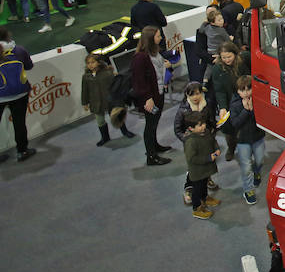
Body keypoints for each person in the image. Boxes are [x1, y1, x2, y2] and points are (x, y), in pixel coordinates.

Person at [131, 26, 172, 166]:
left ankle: (155, 146)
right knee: (150, 125)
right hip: (150, 98)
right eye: (158, 36)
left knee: (154, 123)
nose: (160, 38)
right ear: (150, 38)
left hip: (159, 94)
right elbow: (139, 81)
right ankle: (151, 156)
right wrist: (147, 98)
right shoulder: (140, 58)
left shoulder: (155, 52)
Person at [174, 81, 219, 206]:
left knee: (206, 164)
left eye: (198, 93)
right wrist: (187, 140)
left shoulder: (207, 105)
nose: (195, 97)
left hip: (206, 141)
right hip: (193, 145)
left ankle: (206, 187)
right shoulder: (183, 109)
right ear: (187, 96)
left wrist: (214, 129)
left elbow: (211, 122)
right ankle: (189, 189)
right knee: (194, 169)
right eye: (192, 94)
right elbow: (177, 129)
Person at [81, 53, 134, 146]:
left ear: (98, 62)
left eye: (93, 62)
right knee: (100, 121)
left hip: (110, 101)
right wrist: (85, 103)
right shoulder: (86, 77)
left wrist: (119, 99)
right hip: (96, 102)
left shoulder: (107, 73)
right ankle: (105, 137)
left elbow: (116, 85)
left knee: (117, 116)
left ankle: (125, 131)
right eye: (88, 63)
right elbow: (84, 90)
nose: (90, 65)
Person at [210, 41, 249, 162]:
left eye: (229, 56)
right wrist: (222, 107)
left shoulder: (243, 62)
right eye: (224, 57)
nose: (227, 60)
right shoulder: (217, 69)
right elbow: (219, 90)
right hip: (228, 101)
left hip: (244, 97)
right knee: (229, 129)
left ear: (235, 54)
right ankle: (231, 149)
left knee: (245, 126)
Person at [230, 75, 266, 205]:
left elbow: (264, 117)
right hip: (243, 140)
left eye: (248, 89)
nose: (246, 92)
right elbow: (235, 123)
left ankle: (257, 172)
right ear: (238, 91)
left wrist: (253, 109)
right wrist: (246, 111)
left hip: (258, 137)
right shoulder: (235, 105)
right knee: (246, 167)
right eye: (242, 90)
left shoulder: (258, 100)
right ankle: (248, 190)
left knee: (260, 160)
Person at [0, 29, 35, 162]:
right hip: (20, 92)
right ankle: (22, 151)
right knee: (19, 123)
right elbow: (29, 66)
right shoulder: (19, 50)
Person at [182, 111, 222, 220]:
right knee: (197, 190)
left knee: (204, 184)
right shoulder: (190, 141)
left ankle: (205, 198)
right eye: (200, 125)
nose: (203, 126)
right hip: (197, 171)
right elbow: (192, 158)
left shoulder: (206, 132)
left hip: (206, 169)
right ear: (191, 128)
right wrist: (208, 158)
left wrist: (217, 148)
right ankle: (197, 208)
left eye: (203, 123)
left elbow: (213, 141)